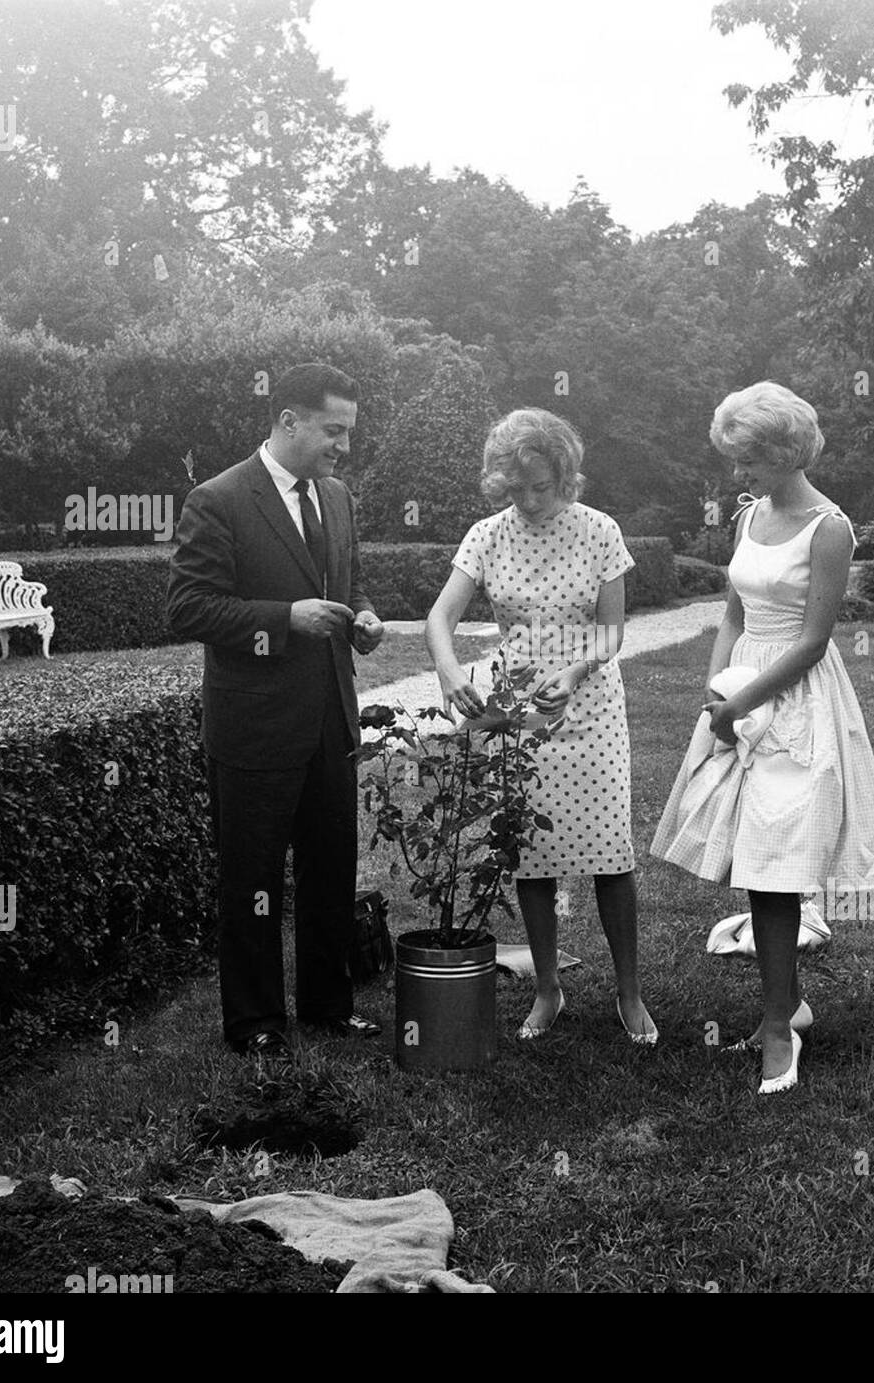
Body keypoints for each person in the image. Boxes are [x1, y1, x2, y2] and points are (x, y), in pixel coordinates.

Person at [651, 382, 874, 1094]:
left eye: (748, 460)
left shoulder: (830, 527)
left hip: (796, 699)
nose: (738, 475)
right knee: (752, 864)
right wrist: (717, 688)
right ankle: (781, 1010)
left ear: (786, 452)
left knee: (778, 863)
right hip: (741, 691)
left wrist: (747, 700)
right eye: (735, 460)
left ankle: (780, 1030)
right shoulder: (750, 516)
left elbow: (815, 640)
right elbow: (733, 610)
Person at [166, 363, 386, 1057]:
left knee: (329, 870)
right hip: (255, 727)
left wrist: (367, 616)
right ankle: (256, 1023)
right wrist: (285, 617)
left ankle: (327, 1005)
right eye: (333, 430)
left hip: (331, 720)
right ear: (288, 420)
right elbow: (187, 607)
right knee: (253, 880)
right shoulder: (219, 498)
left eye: (347, 431)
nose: (343, 445)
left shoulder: (339, 497)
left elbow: (350, 581)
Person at [425, 408, 658, 1044]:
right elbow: (439, 618)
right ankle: (547, 988)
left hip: (590, 705)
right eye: (516, 488)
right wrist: (450, 675)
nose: (528, 501)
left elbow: (610, 631)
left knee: (612, 854)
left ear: (565, 477)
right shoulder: (486, 536)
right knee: (531, 854)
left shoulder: (599, 531)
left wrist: (578, 670)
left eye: (541, 488)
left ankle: (629, 994)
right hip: (516, 707)